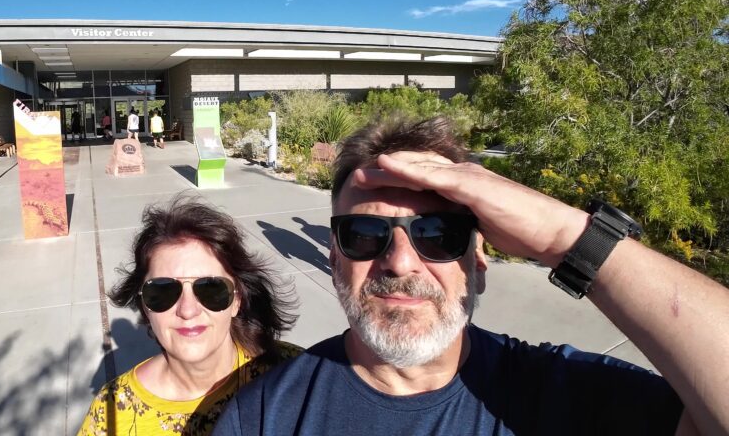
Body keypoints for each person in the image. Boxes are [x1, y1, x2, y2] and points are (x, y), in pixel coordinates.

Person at [214, 116, 729, 435]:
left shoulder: (571, 398)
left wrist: (563, 236)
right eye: (366, 234)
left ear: (478, 264)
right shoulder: (264, 417)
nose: (400, 261)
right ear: (333, 259)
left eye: (438, 234)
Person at [78, 196, 301, 436]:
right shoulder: (111, 413)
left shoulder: (296, 377)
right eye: (163, 291)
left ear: (237, 300)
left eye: (211, 289)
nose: (188, 310)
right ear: (144, 306)